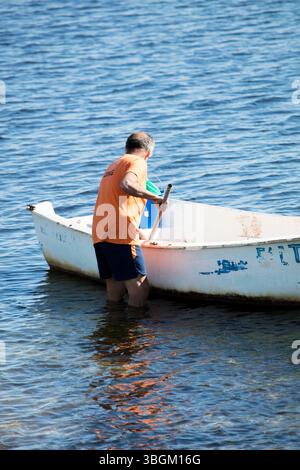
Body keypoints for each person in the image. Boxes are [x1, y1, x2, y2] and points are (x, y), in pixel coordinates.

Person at [92, 132, 164, 308]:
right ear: (149, 152)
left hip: (101, 230)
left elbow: (119, 201)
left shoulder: (114, 165)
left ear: (127, 147)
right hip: (120, 231)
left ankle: (114, 329)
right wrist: (156, 198)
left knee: (115, 286)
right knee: (140, 285)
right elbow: (127, 185)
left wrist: (139, 234)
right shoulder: (137, 162)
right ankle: (133, 333)